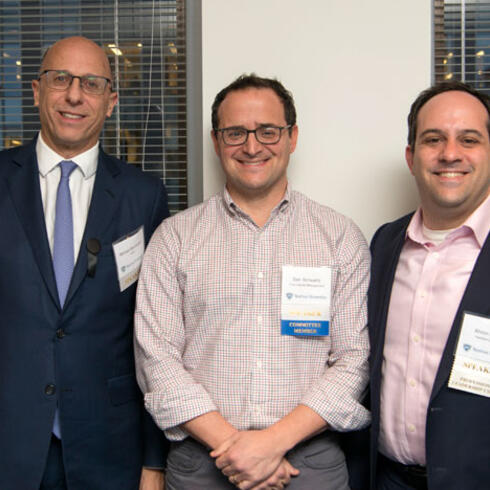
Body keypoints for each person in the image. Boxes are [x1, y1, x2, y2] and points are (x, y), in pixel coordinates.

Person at [135, 74, 370, 490]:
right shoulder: (175, 238)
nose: (252, 146)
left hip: (308, 465)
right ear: (216, 141)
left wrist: (272, 444)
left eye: (268, 131)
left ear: (292, 137)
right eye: (235, 133)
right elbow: (157, 358)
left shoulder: (339, 236)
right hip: (202, 465)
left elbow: (355, 359)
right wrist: (236, 449)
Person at [0, 36, 169, 489]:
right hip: (9, 444)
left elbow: (157, 335)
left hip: (110, 449)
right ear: (37, 91)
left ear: (111, 102)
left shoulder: (144, 196)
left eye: (92, 83)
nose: (75, 95)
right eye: (61, 79)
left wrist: (155, 460)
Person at [368, 81, 490, 489]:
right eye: (433, 139)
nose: (450, 153)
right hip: (387, 479)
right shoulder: (385, 244)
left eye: (469, 140)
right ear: (411, 156)